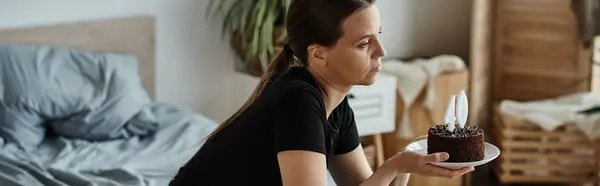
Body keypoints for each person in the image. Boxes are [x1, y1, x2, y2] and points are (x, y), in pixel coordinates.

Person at [169, 0, 473, 185]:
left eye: (377, 37)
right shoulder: (298, 102)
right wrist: (395, 165)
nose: (382, 51)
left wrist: (407, 163)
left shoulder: (336, 106)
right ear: (318, 54)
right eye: (364, 43)